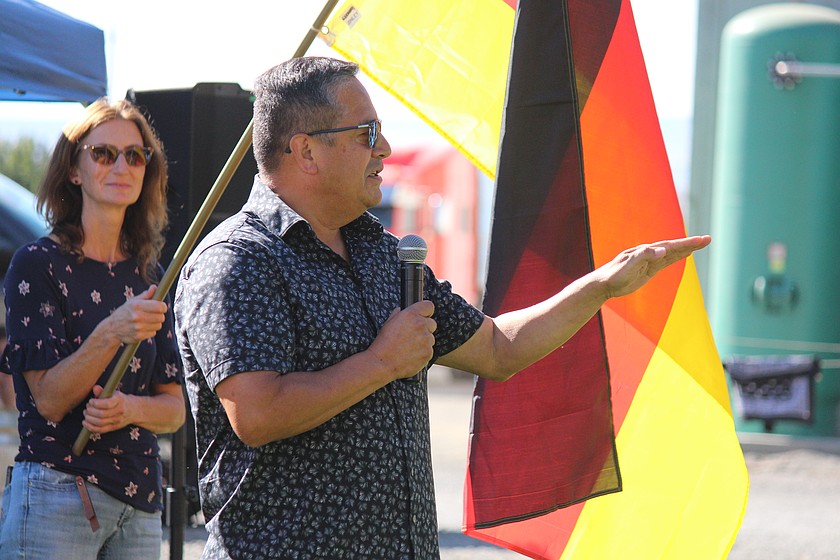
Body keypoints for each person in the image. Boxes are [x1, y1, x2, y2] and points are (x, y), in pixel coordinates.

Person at [173, 56, 711, 559]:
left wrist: (600, 286)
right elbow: (257, 413)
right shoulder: (238, 260)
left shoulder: (383, 254)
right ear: (305, 150)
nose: (383, 149)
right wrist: (383, 363)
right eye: (367, 133)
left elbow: (499, 348)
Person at [0, 99, 185, 559]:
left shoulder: (149, 276)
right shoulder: (37, 265)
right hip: (56, 494)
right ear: (75, 170)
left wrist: (129, 408)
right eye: (103, 153)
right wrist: (112, 331)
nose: (121, 165)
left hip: (140, 505)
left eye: (135, 155)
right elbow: (50, 400)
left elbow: (175, 408)